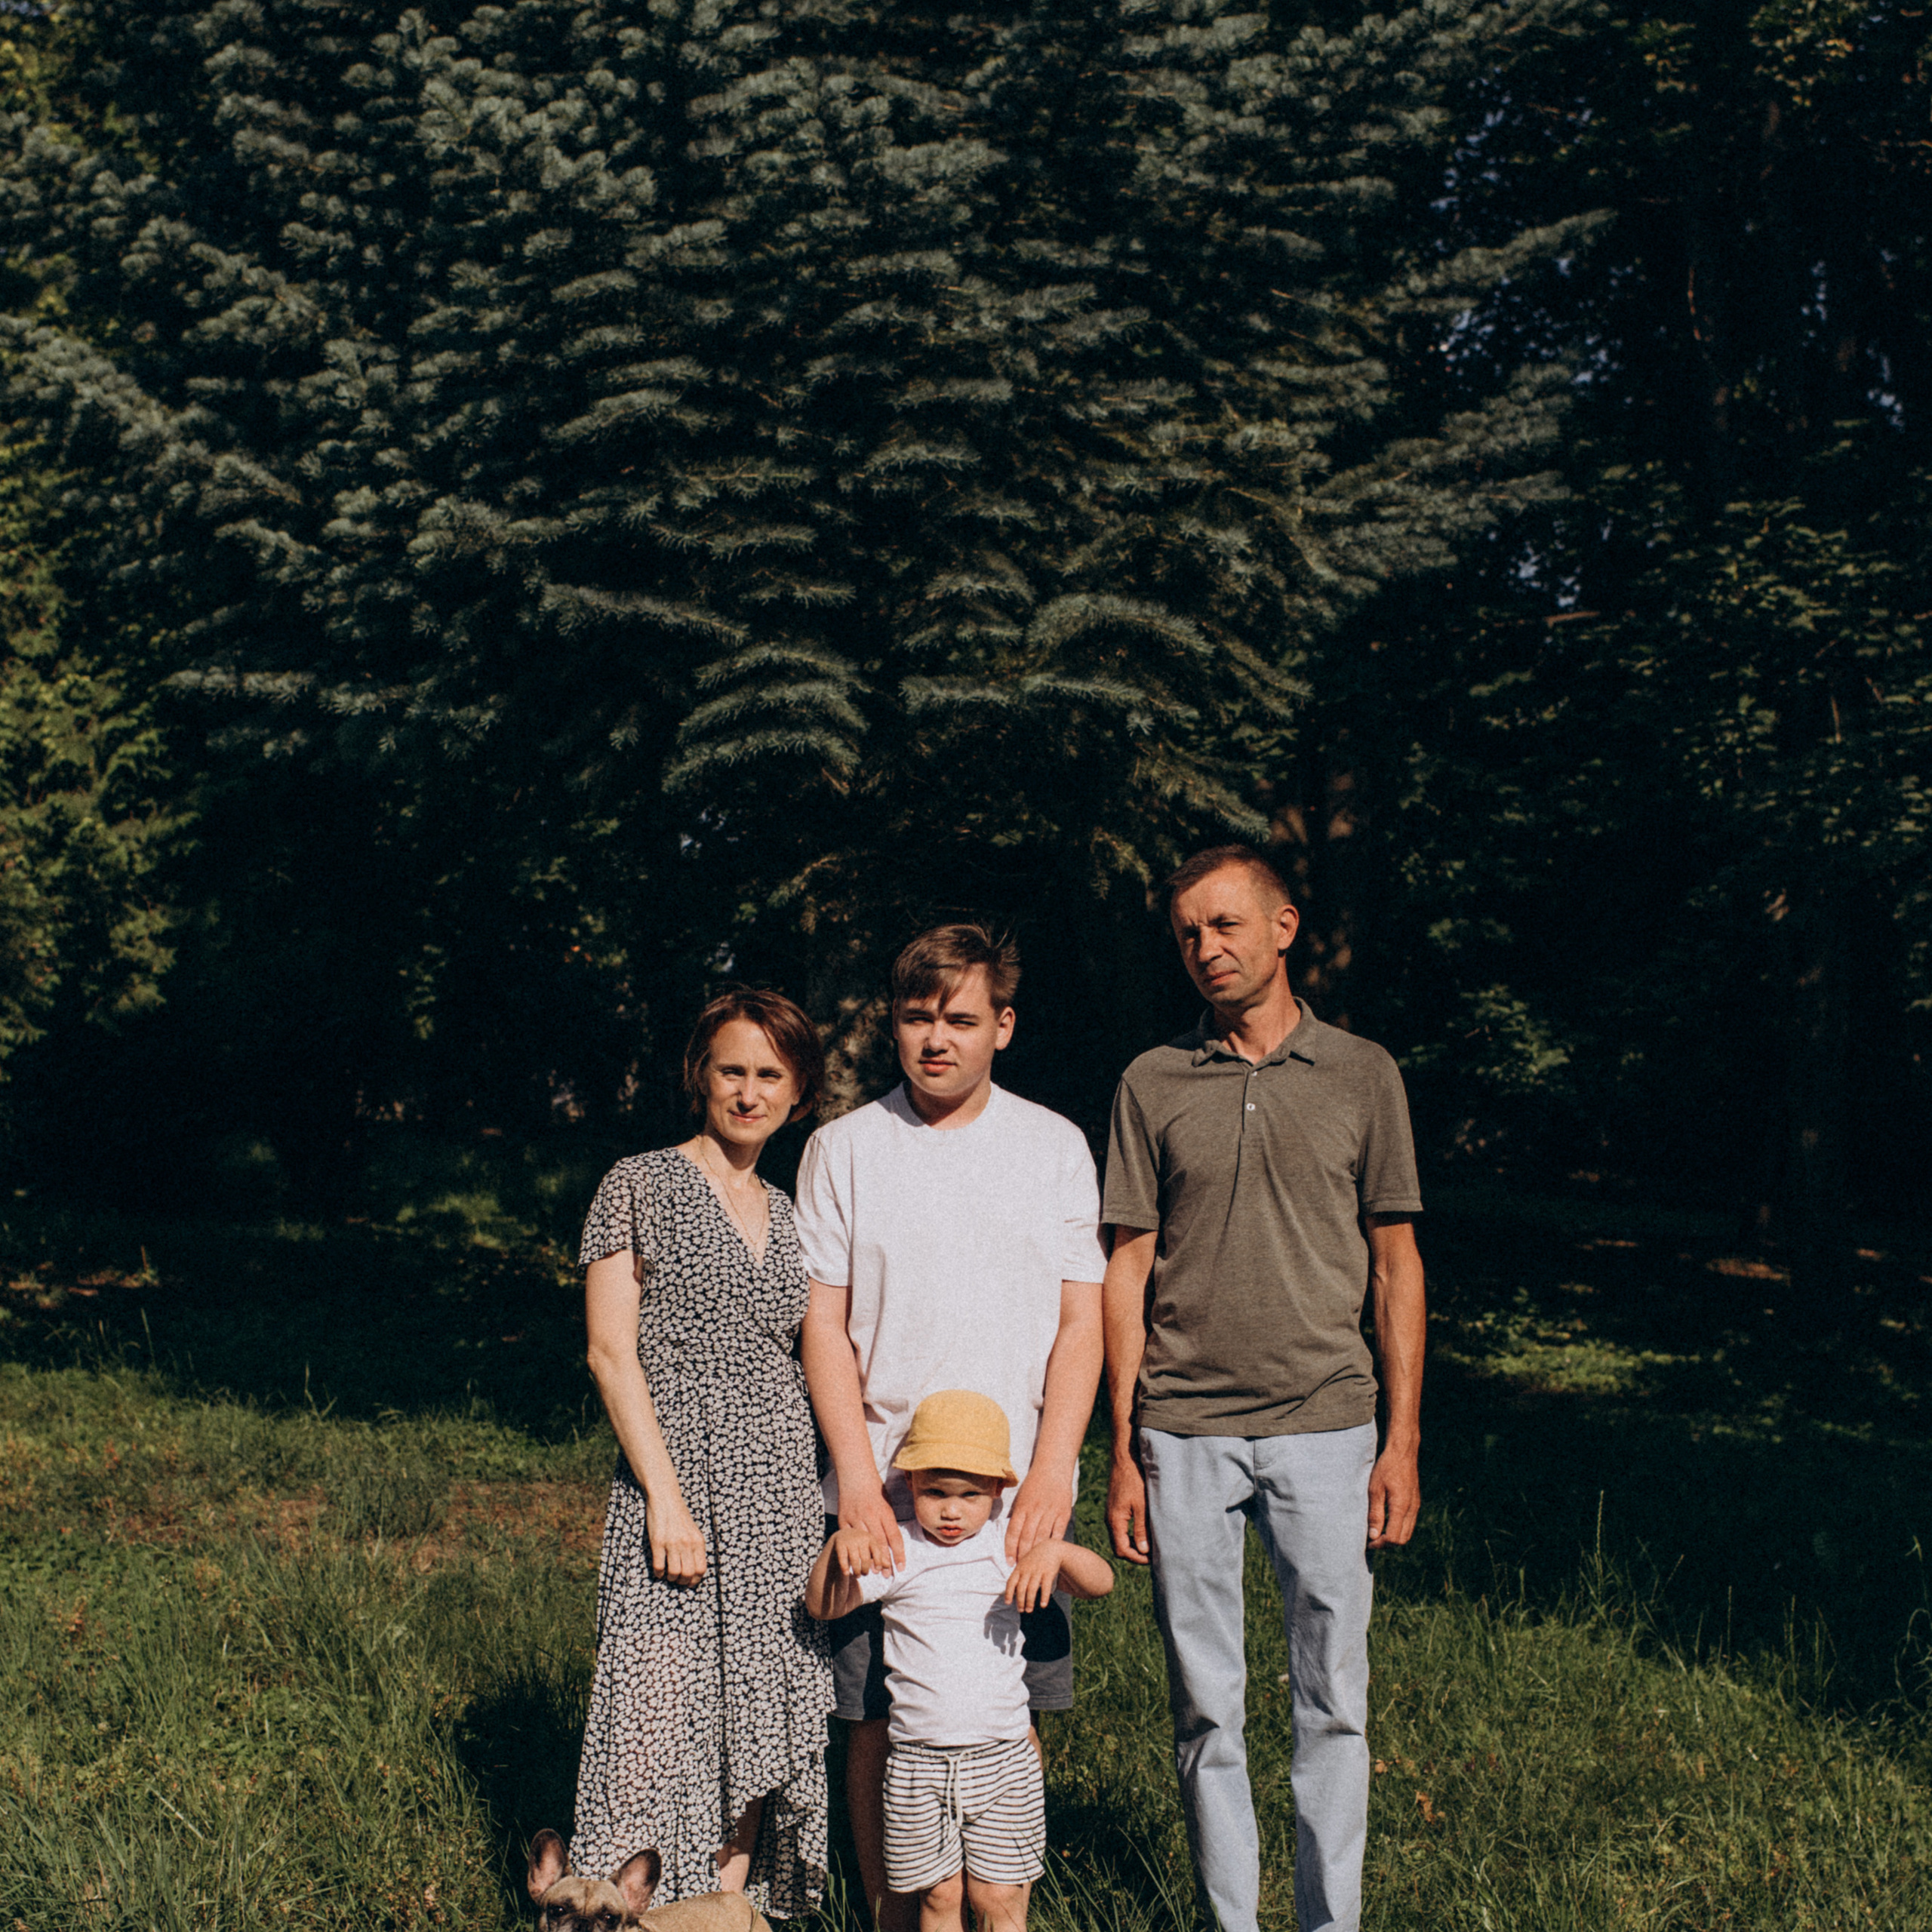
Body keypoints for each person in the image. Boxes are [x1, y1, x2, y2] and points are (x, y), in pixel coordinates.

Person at [1100, 846, 1426, 1932]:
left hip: (1330, 1425)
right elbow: (1128, 1271)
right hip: (1184, 1430)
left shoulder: (1364, 1072)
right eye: (1189, 933)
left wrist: (1403, 1443)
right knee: (1208, 1710)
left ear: (1283, 927)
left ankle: (1332, 1923)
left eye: (1227, 926)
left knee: (1334, 1704)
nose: (1207, 950)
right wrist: (1123, 1449)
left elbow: (1397, 1266)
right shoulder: (1152, 1082)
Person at [795, 923, 1107, 1930]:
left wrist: (1055, 1469)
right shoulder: (842, 1149)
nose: (938, 1039)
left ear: (1002, 1027)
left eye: (962, 1019)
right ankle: (893, 1915)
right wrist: (851, 1477)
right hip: (883, 1481)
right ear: (894, 1024)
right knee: (878, 1718)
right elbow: (826, 1329)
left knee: (1005, 1713)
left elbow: (1079, 1322)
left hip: (1010, 1486)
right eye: (919, 1017)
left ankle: (996, 1909)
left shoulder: (1054, 1148)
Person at [571, 989, 836, 1916]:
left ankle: (721, 1914)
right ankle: (610, 1912)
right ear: (701, 1076)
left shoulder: (796, 1209)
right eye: (734, 1069)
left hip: (778, 1491)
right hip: (673, 1474)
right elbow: (611, 1352)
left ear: (798, 1092)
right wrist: (667, 1499)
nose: (750, 1091)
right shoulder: (635, 1182)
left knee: (755, 1717)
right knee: (649, 1713)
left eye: (771, 1075)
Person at [804, 1390, 1114, 1932]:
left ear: (998, 1490)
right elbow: (823, 1607)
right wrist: (838, 1552)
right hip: (918, 1763)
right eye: (934, 1492)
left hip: (1003, 1757)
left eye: (969, 1494)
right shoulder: (899, 1552)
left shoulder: (1007, 1547)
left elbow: (1101, 1583)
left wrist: (1058, 1552)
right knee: (939, 1899)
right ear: (909, 1485)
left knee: (999, 1899)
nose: (950, 1510)